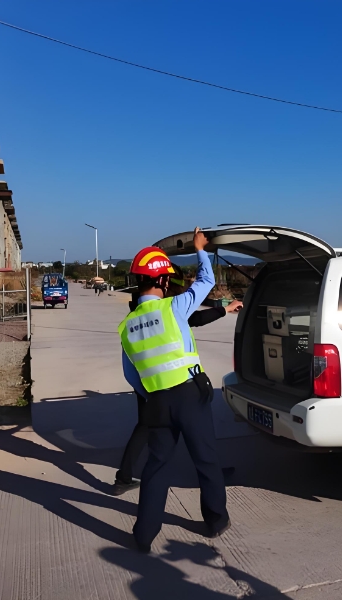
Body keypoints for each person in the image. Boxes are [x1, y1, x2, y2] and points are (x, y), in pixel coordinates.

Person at [118, 228, 230, 552]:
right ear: (164, 282)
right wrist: (199, 249)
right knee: (205, 459)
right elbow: (206, 281)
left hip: (156, 400)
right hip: (190, 395)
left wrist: (154, 392)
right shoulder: (173, 307)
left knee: (157, 466)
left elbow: (131, 375)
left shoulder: (126, 327)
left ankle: (144, 534)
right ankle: (215, 520)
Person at [114, 263, 242, 493]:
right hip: (172, 384)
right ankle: (211, 475)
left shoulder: (138, 311)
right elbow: (197, 316)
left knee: (147, 429)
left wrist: (149, 392)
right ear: (165, 283)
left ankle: (123, 477)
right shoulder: (170, 306)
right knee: (191, 437)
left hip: (149, 382)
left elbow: (129, 370)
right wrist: (225, 309)